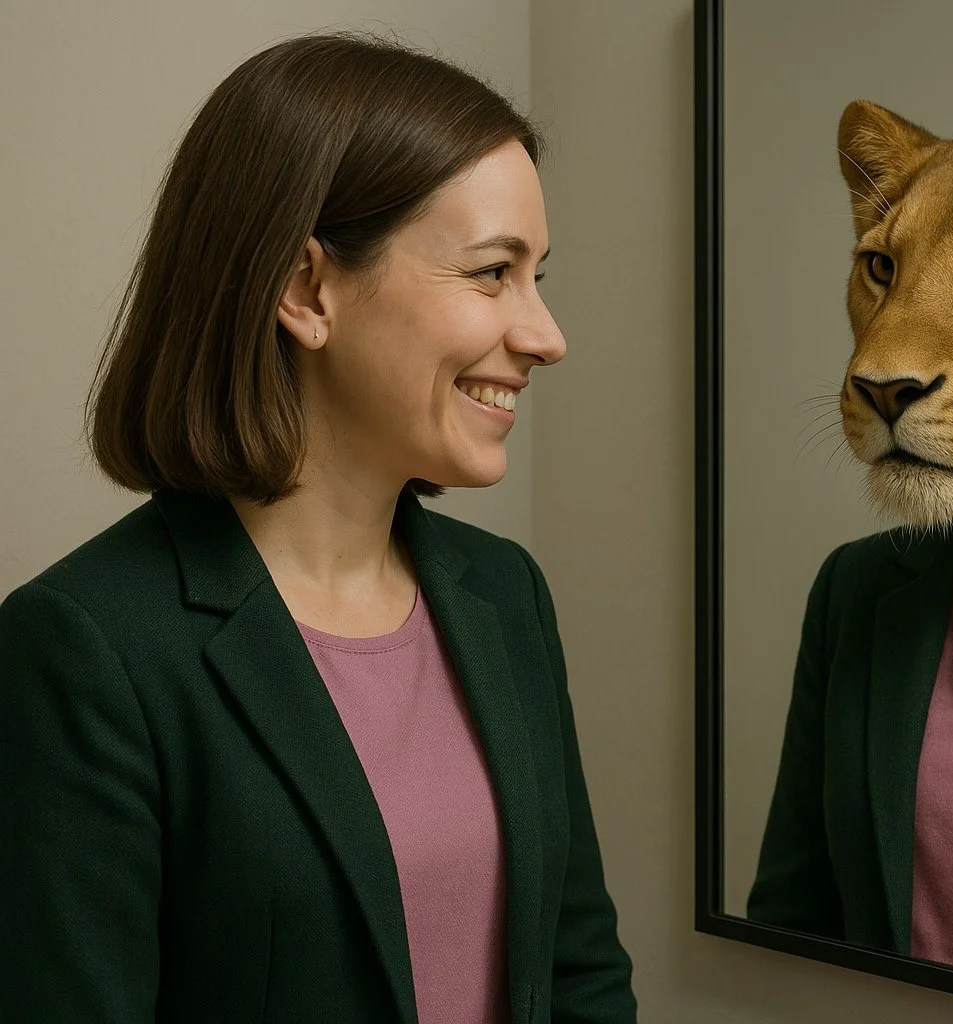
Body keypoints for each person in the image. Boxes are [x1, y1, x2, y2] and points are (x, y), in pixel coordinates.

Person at [0, 32, 635, 1024]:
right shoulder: (86, 650)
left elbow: (580, 971)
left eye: (537, 276)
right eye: (490, 273)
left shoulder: (506, 593)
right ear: (307, 290)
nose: (544, 335)